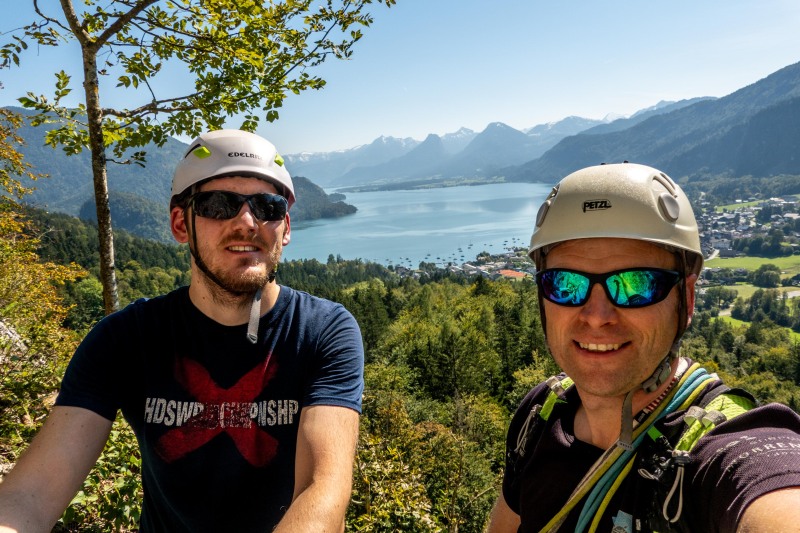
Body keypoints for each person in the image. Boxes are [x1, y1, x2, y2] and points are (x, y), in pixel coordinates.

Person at [0, 129, 364, 532]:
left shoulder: (322, 332)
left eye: (268, 206)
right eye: (219, 204)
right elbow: (31, 495)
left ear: (286, 227)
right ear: (180, 224)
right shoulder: (125, 340)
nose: (248, 222)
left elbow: (322, 490)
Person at [487, 162, 800, 533]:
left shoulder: (719, 446)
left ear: (686, 298)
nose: (597, 316)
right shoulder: (540, 413)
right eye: (565, 284)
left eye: (636, 284)